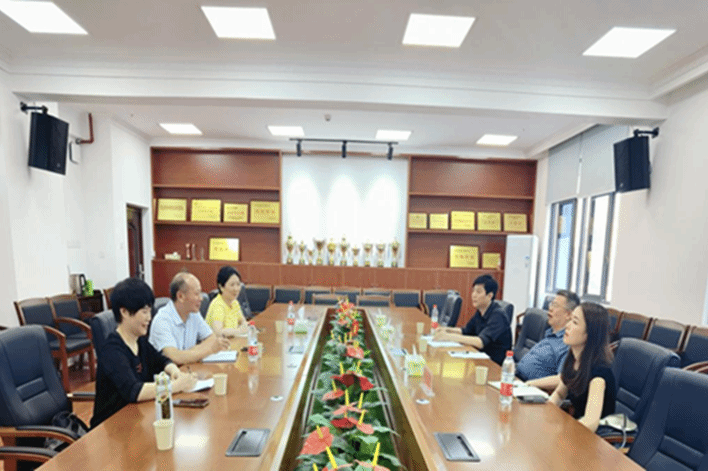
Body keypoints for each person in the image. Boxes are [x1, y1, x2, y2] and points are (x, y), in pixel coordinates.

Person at [91, 277, 197, 428]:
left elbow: (161, 360)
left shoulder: (139, 341)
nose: (149, 318)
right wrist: (176, 386)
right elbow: (134, 391)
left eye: (150, 311)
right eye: (144, 312)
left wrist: (175, 372)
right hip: (111, 427)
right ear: (124, 312)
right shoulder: (112, 350)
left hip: (137, 419)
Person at [548, 302, 616, 432]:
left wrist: (563, 433)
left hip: (595, 438)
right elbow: (560, 394)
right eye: (570, 320)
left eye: (574, 322)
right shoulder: (573, 360)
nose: (567, 326)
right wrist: (546, 413)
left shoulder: (599, 374)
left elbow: (591, 422)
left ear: (590, 333)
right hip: (577, 429)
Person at [148, 272, 230, 365]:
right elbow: (174, 358)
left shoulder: (193, 313)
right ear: (180, 296)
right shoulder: (162, 320)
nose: (201, 298)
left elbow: (212, 338)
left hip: (188, 369)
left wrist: (189, 353)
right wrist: (210, 350)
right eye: (196, 294)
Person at [433, 274, 511, 365]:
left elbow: (480, 342)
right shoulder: (480, 311)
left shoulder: (498, 316)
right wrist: (446, 330)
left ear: (490, 295)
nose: (474, 295)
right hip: (479, 358)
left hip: (493, 364)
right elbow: (465, 331)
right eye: (473, 291)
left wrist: (448, 336)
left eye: (478, 292)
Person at [518, 290, 579, 383]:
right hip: (517, 377)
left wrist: (529, 384)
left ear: (568, 314)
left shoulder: (566, 343)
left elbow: (562, 379)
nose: (550, 308)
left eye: (555, 305)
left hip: (532, 387)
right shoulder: (549, 333)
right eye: (551, 304)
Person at [205, 266, 249, 337]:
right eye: (232, 285)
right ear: (221, 287)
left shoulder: (234, 302)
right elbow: (218, 332)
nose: (236, 289)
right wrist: (239, 331)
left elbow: (243, 322)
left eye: (238, 284)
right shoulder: (218, 305)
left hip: (231, 341)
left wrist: (244, 326)